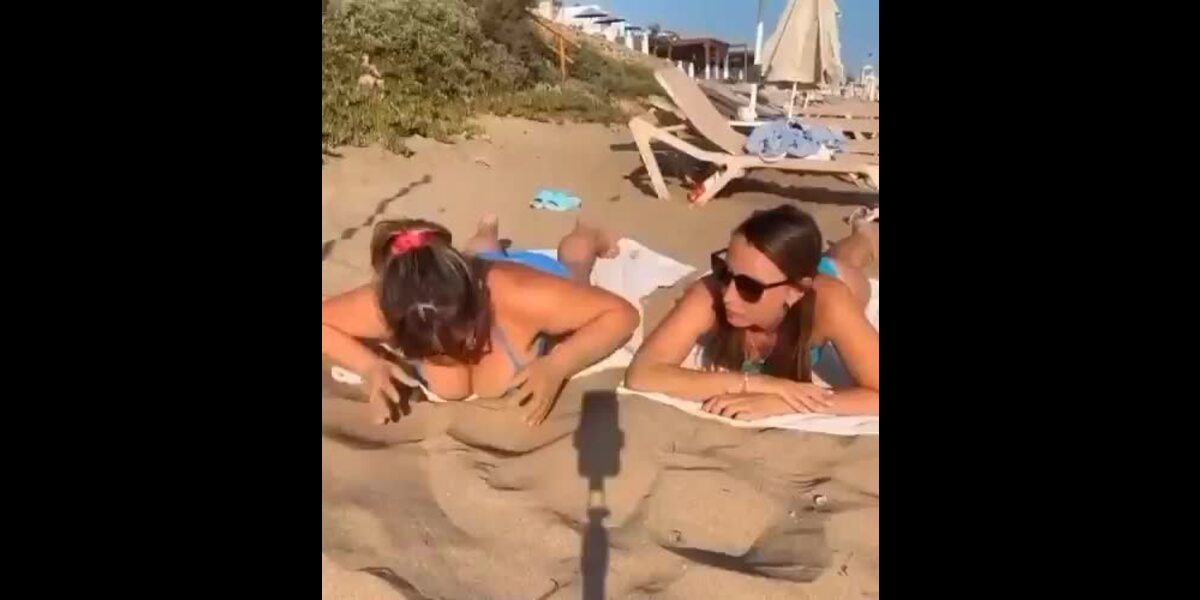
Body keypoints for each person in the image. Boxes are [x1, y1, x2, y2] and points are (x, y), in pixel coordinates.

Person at [322, 215, 639, 426]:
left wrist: (558, 364)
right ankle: (486, 232)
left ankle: (586, 231)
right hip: (468, 272)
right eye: (429, 350)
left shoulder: (521, 296)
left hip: (525, 276)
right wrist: (368, 366)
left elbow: (621, 314)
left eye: (458, 339)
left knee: (575, 271)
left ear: (475, 303)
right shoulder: (393, 305)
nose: (447, 353)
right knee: (482, 251)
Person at [625, 205, 879, 418]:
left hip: (835, 278)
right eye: (724, 271)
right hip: (793, 271)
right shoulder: (710, 291)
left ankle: (865, 236)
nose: (728, 295)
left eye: (749, 287)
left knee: (845, 262)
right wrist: (759, 385)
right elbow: (643, 373)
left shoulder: (830, 303)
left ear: (795, 291)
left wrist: (787, 403)